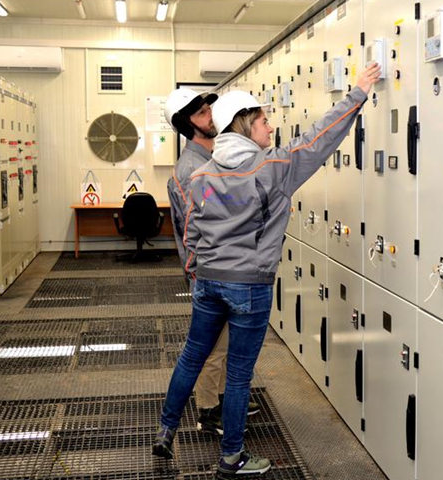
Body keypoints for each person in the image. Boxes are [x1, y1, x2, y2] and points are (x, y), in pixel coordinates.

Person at [152, 63, 381, 475]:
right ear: (244, 126)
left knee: (191, 357)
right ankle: (231, 458)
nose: (270, 126)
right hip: (248, 287)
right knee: (238, 376)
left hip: (208, 283)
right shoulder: (272, 168)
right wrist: (357, 94)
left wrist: (200, 268)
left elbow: (192, 233)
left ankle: (165, 432)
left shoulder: (202, 173)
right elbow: (319, 139)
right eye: (263, 120)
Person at [162, 87, 259, 437]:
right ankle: (208, 408)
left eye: (210, 110)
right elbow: (201, 228)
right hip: (210, 271)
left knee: (224, 341)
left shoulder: (213, 157)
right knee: (213, 347)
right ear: (188, 123)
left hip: (225, 268)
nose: (211, 116)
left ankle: (221, 395)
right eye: (203, 113)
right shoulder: (192, 168)